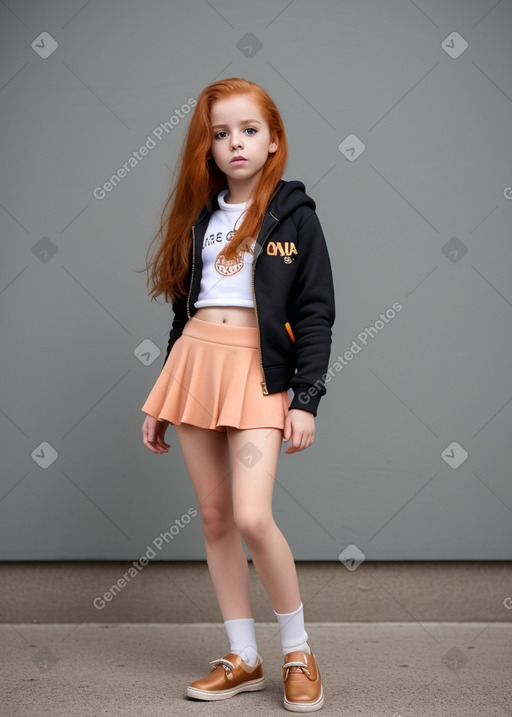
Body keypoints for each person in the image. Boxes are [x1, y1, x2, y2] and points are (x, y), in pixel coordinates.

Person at [139, 77, 335, 712]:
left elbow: (314, 313)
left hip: (260, 371)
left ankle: (298, 651)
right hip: (196, 363)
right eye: (220, 133)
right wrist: (162, 395)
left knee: (253, 516)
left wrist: (305, 398)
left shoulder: (296, 218)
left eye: (249, 130)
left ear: (273, 140)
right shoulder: (198, 219)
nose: (235, 143)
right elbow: (182, 310)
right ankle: (243, 656)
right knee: (217, 518)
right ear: (208, 147)